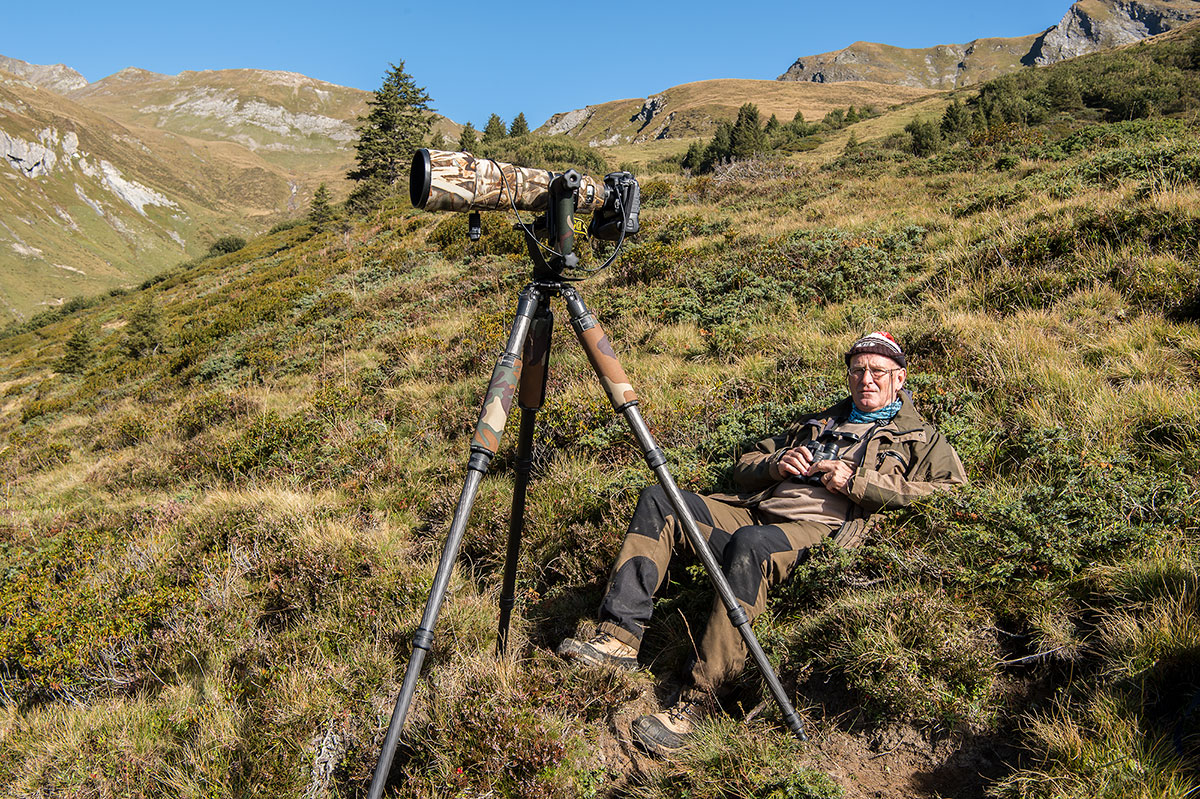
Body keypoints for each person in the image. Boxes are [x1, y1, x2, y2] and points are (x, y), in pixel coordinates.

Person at [556, 332, 967, 755]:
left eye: (877, 372)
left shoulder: (922, 438)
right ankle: (618, 637)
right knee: (662, 498)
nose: (866, 379)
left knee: (751, 545)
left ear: (899, 378)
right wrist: (776, 464)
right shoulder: (817, 421)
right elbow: (745, 466)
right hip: (753, 510)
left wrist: (857, 482)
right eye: (858, 370)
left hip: (817, 530)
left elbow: (951, 490)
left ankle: (698, 705)